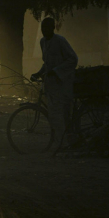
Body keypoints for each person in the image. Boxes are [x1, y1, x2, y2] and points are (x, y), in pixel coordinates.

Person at [31, 17, 78, 145]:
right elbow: (47, 63)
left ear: (52, 28)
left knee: (60, 114)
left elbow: (73, 59)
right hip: (51, 83)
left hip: (64, 82)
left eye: (46, 28)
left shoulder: (60, 41)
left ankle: (64, 142)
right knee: (56, 114)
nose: (44, 31)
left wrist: (57, 71)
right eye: (42, 29)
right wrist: (38, 73)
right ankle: (64, 141)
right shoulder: (43, 42)